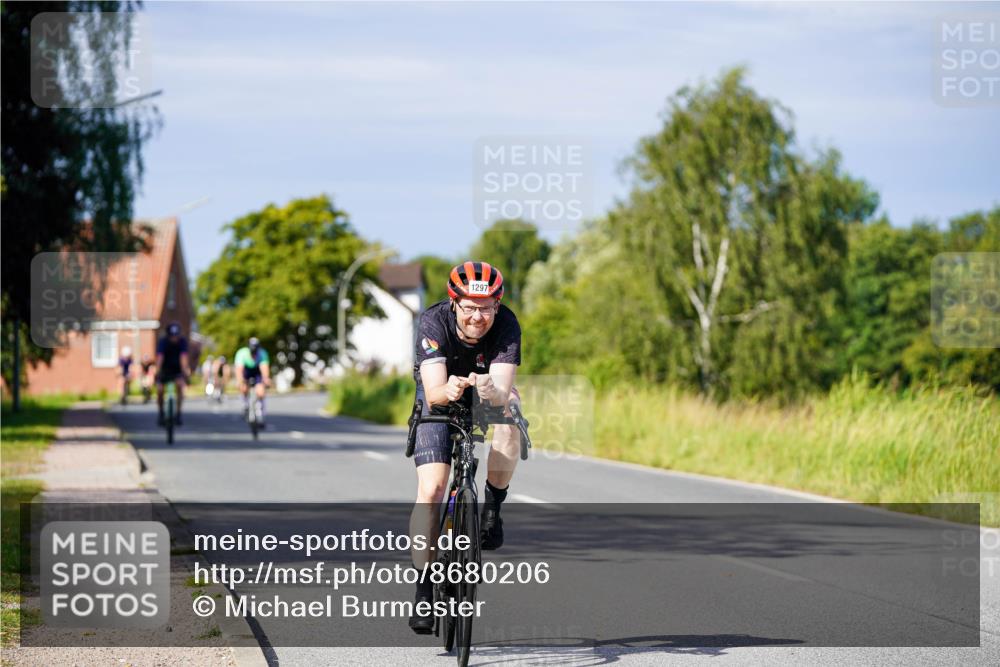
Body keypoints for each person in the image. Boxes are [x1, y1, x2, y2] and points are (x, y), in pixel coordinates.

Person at [407, 261, 522, 634]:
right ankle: (424, 589)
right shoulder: (433, 322)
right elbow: (434, 390)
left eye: (486, 307)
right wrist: (451, 389)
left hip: (485, 390)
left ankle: (492, 507)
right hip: (440, 393)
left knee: (511, 414)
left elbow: (502, 391)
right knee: (433, 488)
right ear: (454, 302)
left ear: (497, 305)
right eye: (470, 307)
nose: (478, 316)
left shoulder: (507, 324)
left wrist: (490, 392)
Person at [156, 323, 191, 426]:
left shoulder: (182, 342)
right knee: (160, 390)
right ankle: (161, 412)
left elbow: (183, 357)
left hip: (177, 370)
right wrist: (157, 372)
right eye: (172, 336)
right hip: (165, 369)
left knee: (180, 386)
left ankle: (178, 413)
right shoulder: (163, 342)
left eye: (176, 335)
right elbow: (160, 358)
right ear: (168, 335)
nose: (174, 338)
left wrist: (185, 372)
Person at [234, 337, 271, 427]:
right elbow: (239, 370)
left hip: (257, 372)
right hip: (246, 371)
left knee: (261, 391)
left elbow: (264, 368)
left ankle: (260, 415)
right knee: (243, 387)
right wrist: (240, 381)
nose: (254, 354)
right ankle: (245, 405)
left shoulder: (262, 354)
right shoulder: (242, 353)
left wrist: (266, 379)